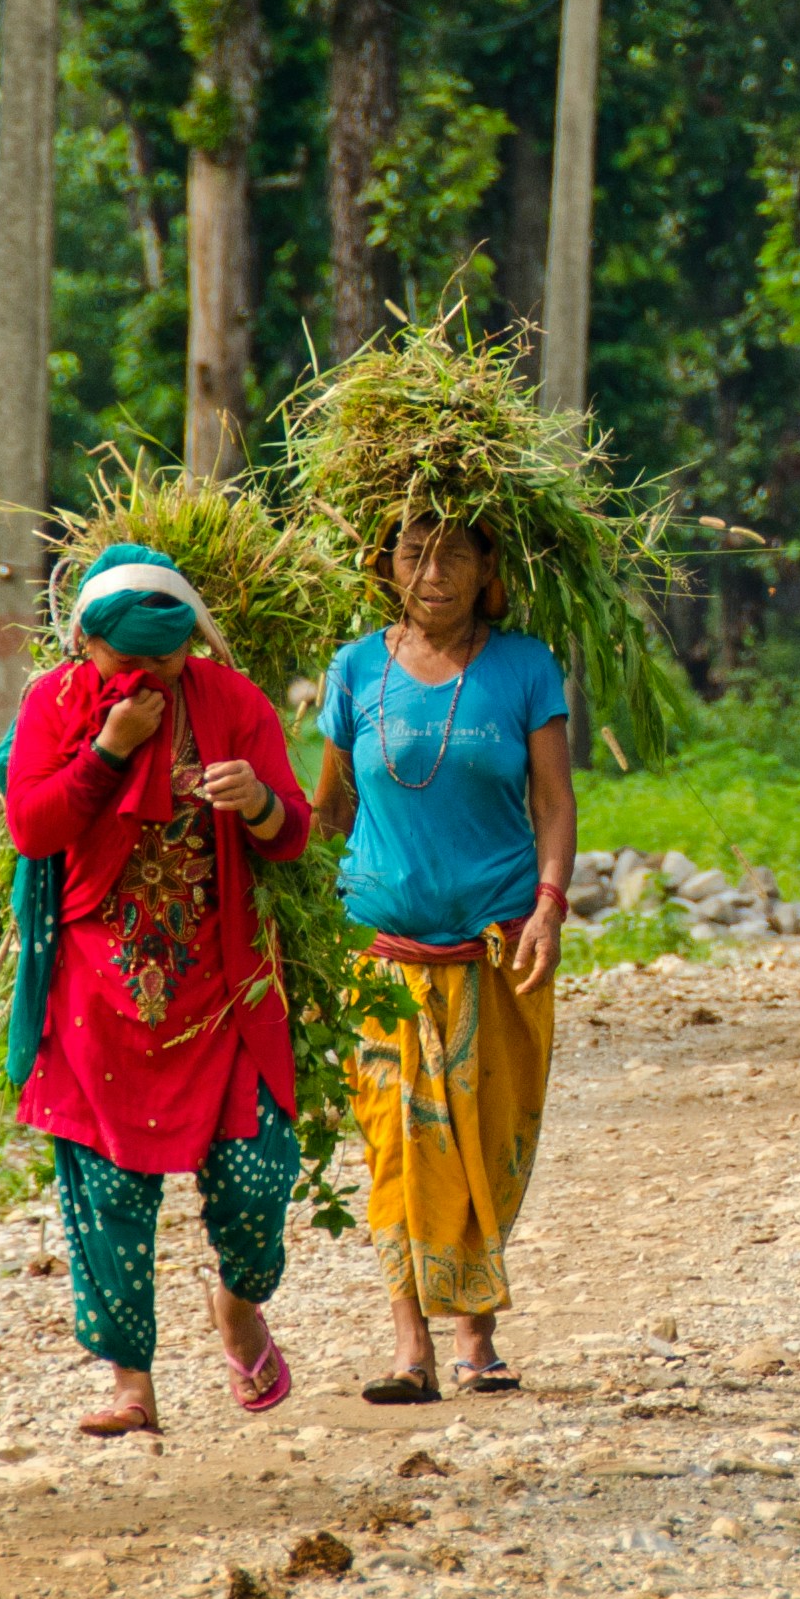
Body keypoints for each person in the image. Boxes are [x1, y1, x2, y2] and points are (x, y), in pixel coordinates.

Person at [2, 547, 324, 1439]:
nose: (149, 677)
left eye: (168, 661)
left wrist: (257, 799)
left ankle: (239, 1303)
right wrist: (110, 750)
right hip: (97, 996)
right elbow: (32, 824)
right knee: (106, 1195)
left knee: (260, 1179)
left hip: (219, 990)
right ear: (86, 645)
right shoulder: (56, 703)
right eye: (127, 663)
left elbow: (292, 834)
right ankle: (131, 1387)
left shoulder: (234, 703)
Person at [307, 514, 576, 1403]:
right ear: (384, 564)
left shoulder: (525, 667)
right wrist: (294, 921)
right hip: (381, 961)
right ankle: (409, 1349)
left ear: (489, 564)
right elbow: (328, 818)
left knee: (484, 1136)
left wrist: (549, 906)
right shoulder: (355, 669)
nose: (434, 570)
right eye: (415, 551)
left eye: (455, 551)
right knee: (396, 1144)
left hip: (498, 953)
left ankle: (478, 1340)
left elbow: (553, 801)